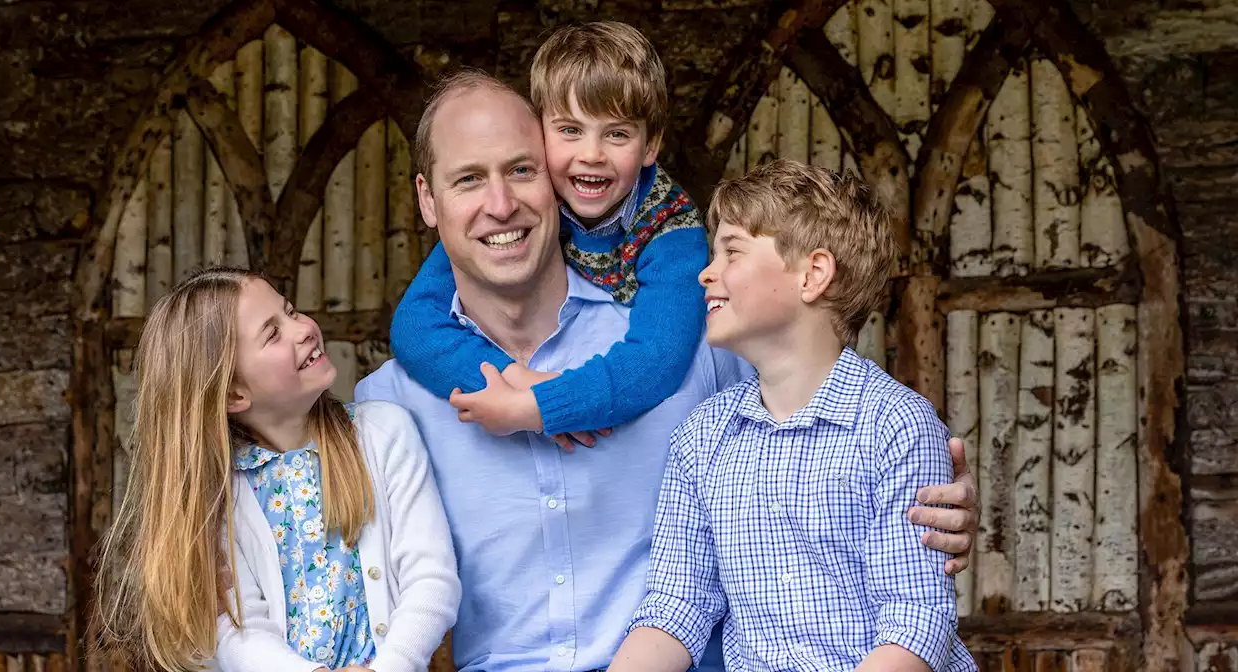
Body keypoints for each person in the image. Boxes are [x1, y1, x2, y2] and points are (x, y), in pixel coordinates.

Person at [354, 71, 979, 672]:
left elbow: (824, 422)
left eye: (523, 170)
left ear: (559, 179)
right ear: (427, 201)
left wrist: (928, 506)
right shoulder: (389, 409)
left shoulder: (693, 346)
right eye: (468, 180)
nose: (501, 203)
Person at [608, 160, 977, 672]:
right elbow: (677, 606)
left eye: (731, 251)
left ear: (813, 274)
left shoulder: (896, 427)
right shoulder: (701, 437)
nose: (705, 272)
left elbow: (916, 621)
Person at [92, 269, 459, 672]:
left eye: (291, 311)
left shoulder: (383, 434)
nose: (302, 329)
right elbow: (235, 629)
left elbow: (431, 578)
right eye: (273, 333)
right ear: (234, 393)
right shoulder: (217, 495)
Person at [388, 21, 708, 444]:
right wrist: (509, 380)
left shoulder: (673, 231)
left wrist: (544, 406)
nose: (591, 155)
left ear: (650, 147)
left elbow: (658, 360)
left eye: (616, 134)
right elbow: (413, 326)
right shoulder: (536, 201)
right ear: (540, 133)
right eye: (570, 131)